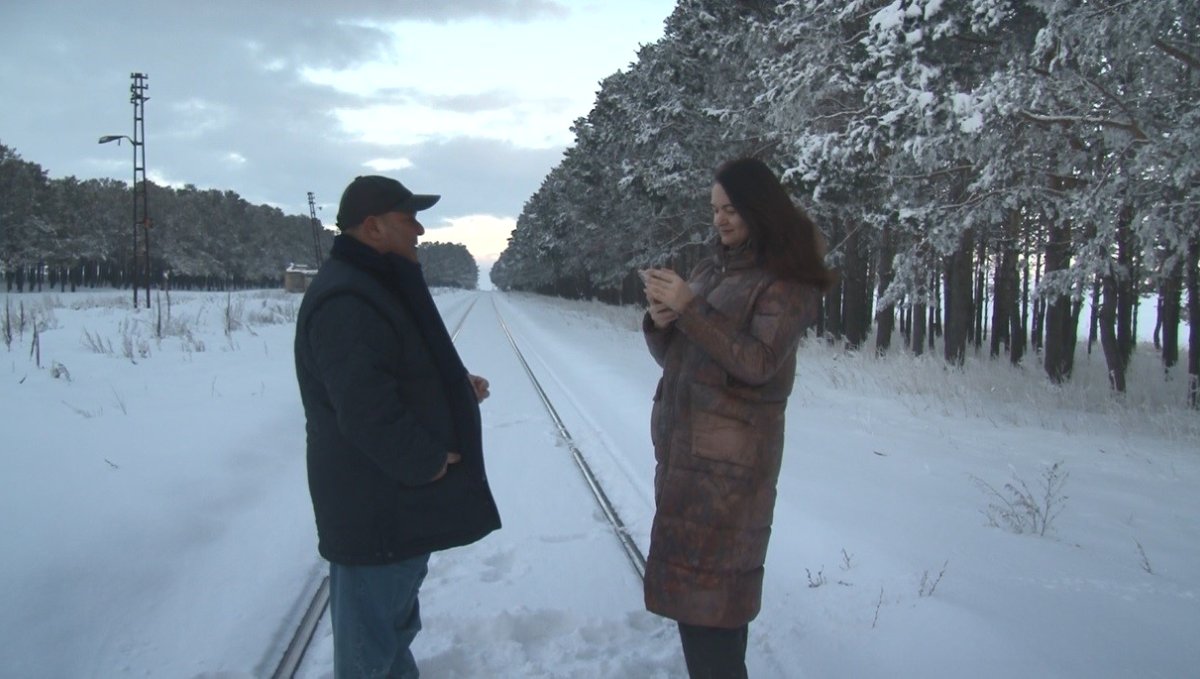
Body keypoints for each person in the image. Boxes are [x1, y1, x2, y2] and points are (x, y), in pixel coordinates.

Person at [293, 175, 501, 678]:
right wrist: (426, 461)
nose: (420, 229)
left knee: (388, 636)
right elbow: (365, 410)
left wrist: (452, 390)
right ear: (373, 226)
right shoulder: (349, 299)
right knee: (369, 651)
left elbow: (392, 375)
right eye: (409, 219)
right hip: (375, 513)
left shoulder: (372, 284)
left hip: (392, 509)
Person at [640, 157, 834, 678]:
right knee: (695, 612)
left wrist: (692, 309)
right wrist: (662, 323)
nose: (720, 220)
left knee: (715, 620)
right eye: (714, 210)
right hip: (686, 464)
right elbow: (686, 362)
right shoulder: (712, 270)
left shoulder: (785, 280)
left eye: (731, 209)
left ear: (759, 208)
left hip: (730, 478)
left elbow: (757, 363)